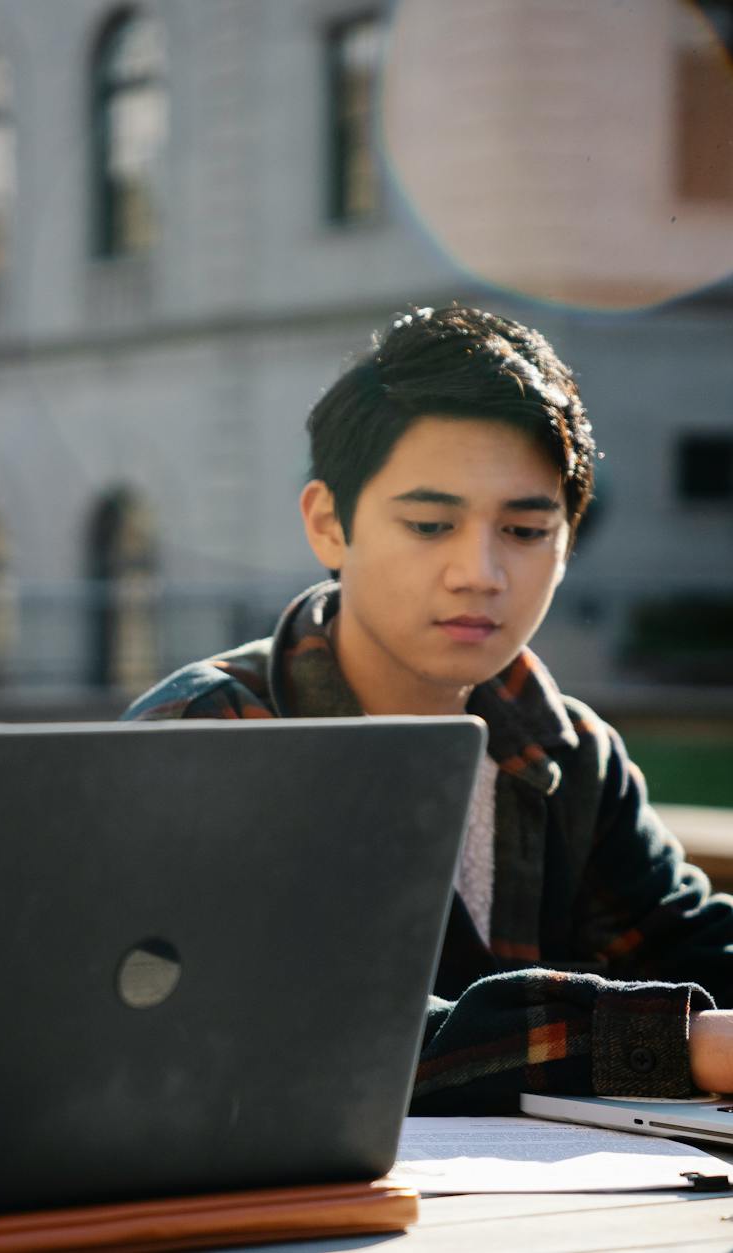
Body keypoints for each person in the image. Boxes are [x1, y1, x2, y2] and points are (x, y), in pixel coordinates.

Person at [123, 305, 733, 1113]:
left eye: (523, 529)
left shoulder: (569, 748)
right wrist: (671, 1042)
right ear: (329, 524)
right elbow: (283, 1029)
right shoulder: (209, 733)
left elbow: (691, 941)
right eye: (430, 524)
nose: (478, 571)